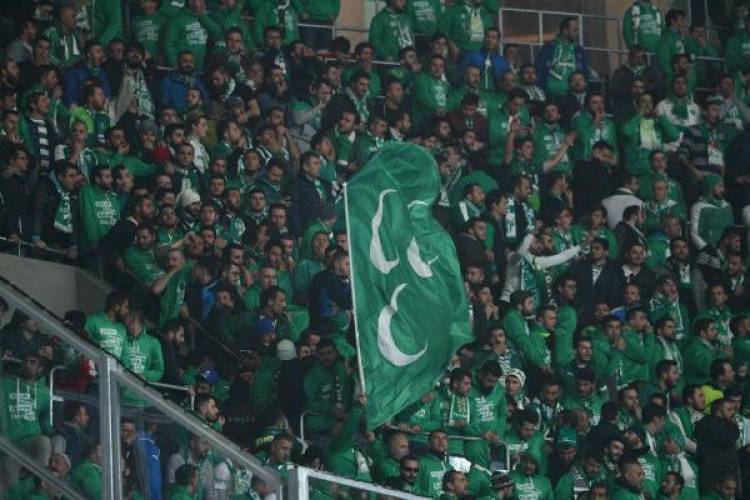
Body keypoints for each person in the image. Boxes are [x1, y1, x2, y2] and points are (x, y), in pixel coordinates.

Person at [536, 17, 589, 97]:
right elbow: (539, 69)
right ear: (565, 31)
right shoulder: (549, 48)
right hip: (548, 96)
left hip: (573, 97)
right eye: (574, 30)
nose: (577, 33)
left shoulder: (579, 50)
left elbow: (585, 72)